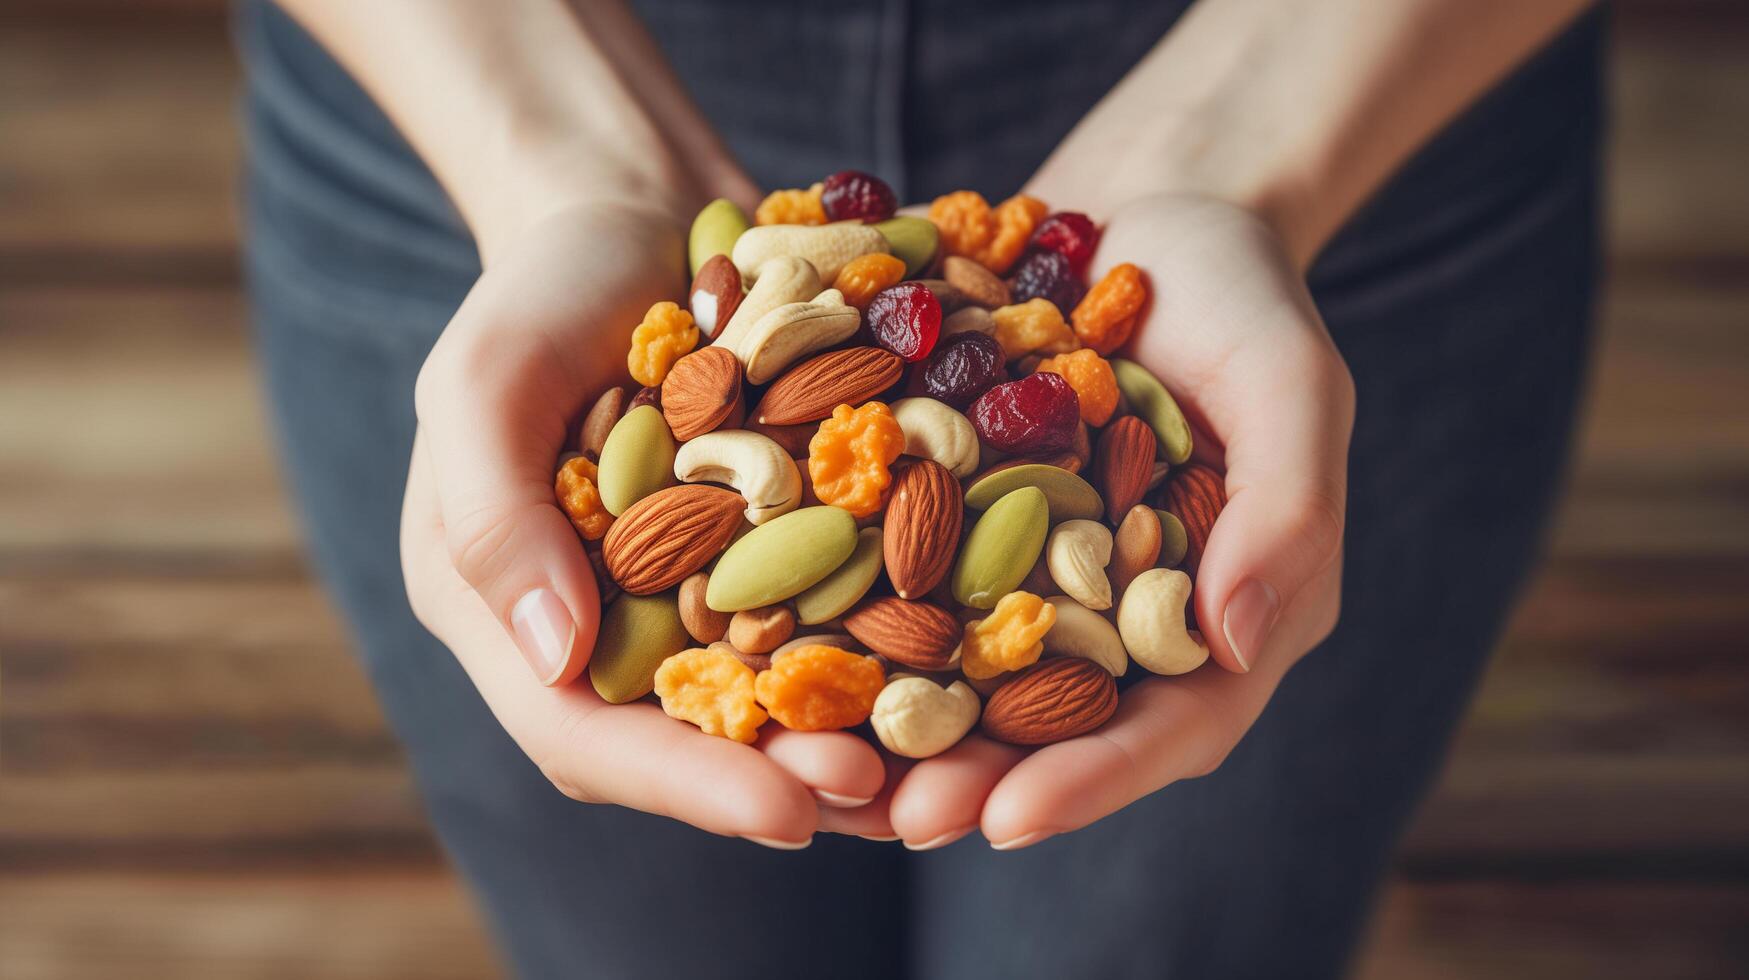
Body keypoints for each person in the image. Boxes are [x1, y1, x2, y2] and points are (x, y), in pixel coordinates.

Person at [238, 0, 1603, 975]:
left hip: (1361, 98)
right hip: (461, 94)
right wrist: (561, 167)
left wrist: (1231, 152)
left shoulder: (1043, 438)